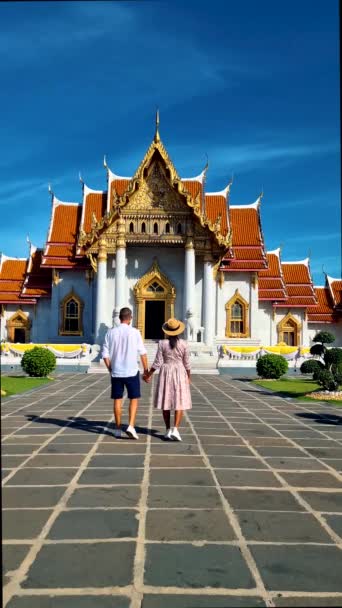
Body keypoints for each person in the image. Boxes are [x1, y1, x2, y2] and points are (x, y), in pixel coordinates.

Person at [102, 307, 148, 440]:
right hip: (132, 371)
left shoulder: (110, 333)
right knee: (133, 398)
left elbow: (105, 354)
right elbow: (143, 353)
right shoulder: (135, 332)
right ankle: (131, 426)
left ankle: (117, 429)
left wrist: (110, 368)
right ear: (130, 318)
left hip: (117, 372)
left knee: (118, 400)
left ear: (120, 318)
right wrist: (146, 371)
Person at [143, 318, 191, 441]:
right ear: (179, 331)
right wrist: (188, 376)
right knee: (179, 400)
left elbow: (158, 362)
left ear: (167, 331)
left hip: (166, 371)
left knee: (166, 401)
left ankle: (168, 429)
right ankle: (175, 429)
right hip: (180, 371)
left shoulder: (162, 343)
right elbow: (187, 363)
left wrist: (149, 373)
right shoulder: (184, 344)